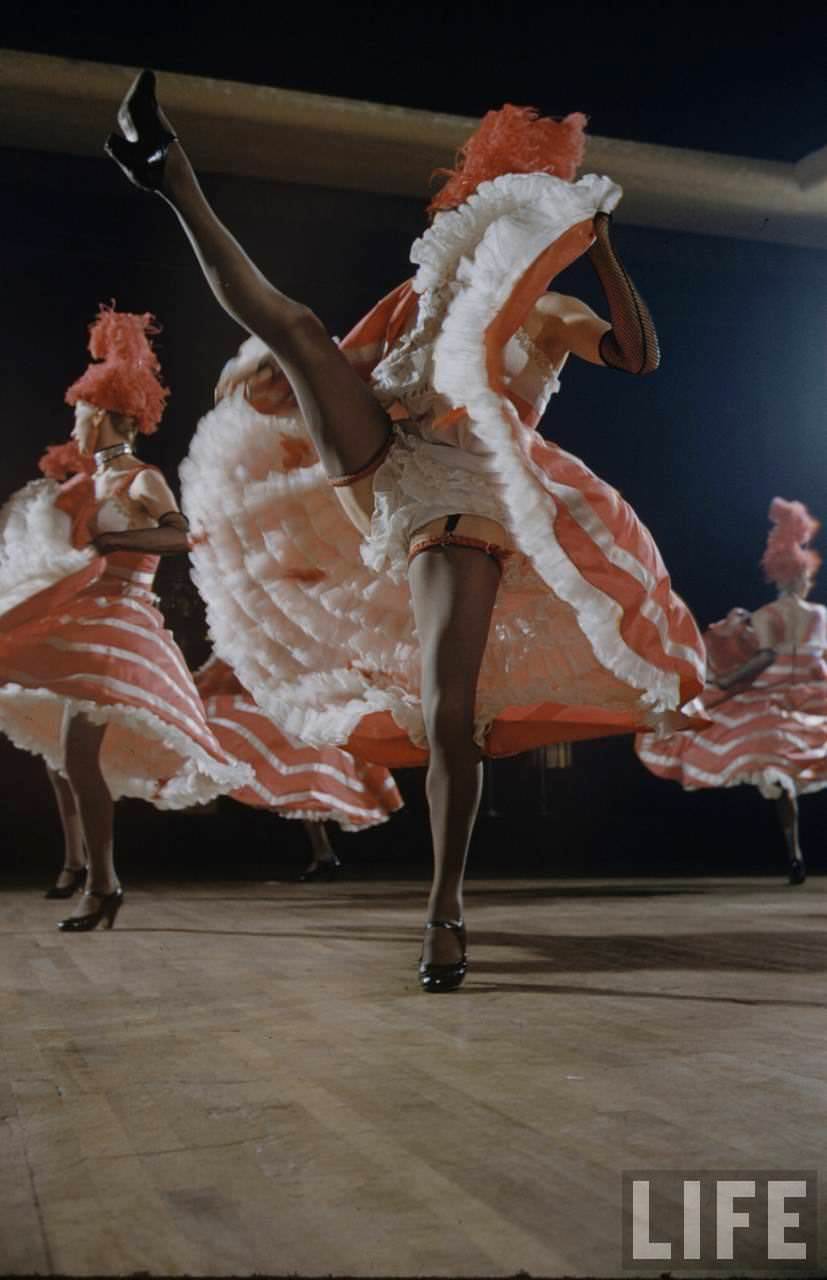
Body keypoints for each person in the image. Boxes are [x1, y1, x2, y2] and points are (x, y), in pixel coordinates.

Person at [107, 72, 705, 989]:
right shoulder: (416, 300)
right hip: (386, 460)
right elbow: (342, 364)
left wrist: (602, 248)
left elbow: (639, 355)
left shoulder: (548, 311)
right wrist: (278, 382)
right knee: (293, 327)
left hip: (469, 489)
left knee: (448, 714)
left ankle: (444, 908)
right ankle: (166, 170)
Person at [0, 306, 250, 928]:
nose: (75, 424)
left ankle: (103, 882)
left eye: (82, 414)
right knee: (69, 760)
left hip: (122, 626)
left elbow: (181, 537)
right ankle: (99, 879)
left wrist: (115, 545)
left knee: (78, 758)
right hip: (83, 623)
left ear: (108, 417)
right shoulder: (86, 486)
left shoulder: (142, 479)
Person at [637, 498, 827, 884]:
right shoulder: (817, 615)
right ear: (801, 577)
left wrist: (725, 680)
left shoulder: (768, 616)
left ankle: (794, 852)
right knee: (787, 773)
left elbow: (764, 658)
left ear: (778, 575)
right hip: (805, 697)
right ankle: (793, 853)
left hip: (777, 701)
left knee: (781, 777)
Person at [194, 654, 403, 878]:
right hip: (273, 706)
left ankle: (325, 852)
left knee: (315, 757)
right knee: (301, 757)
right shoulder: (250, 635)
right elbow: (223, 666)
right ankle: (324, 852)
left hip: (306, 706)